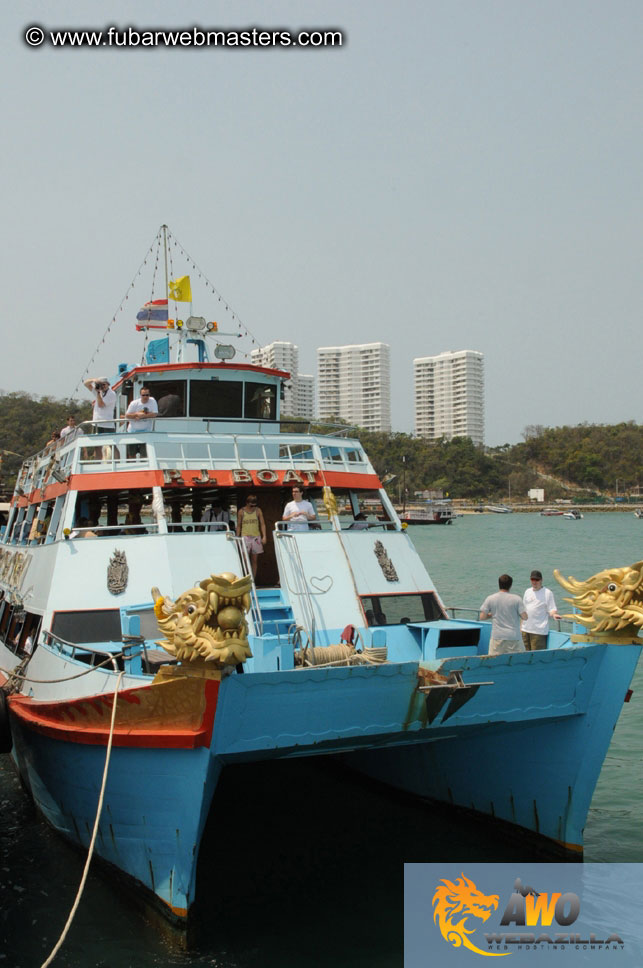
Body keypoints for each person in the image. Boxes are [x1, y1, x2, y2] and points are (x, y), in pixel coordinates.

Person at [479, 574, 528, 656]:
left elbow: (482, 617)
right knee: (518, 661)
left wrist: (492, 615)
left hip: (497, 637)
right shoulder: (517, 599)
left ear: (499, 584)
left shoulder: (490, 598)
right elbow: (525, 617)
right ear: (510, 585)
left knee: (494, 662)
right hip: (513, 637)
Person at [522, 570, 561, 651]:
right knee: (524, 655)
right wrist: (520, 627)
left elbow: (552, 609)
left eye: (537, 580)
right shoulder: (527, 591)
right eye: (532, 579)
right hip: (525, 630)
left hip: (539, 632)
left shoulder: (548, 593)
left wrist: (554, 615)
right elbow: (523, 610)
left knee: (536, 657)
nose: (534, 582)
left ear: (541, 580)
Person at [237, 494, 266, 578]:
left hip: (256, 537)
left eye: (254, 505)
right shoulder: (241, 511)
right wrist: (237, 537)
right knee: (245, 559)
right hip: (245, 537)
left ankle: (253, 579)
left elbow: (262, 524)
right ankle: (246, 577)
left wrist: (264, 536)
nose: (252, 507)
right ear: (247, 503)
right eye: (251, 505)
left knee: (254, 560)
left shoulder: (258, 510)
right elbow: (239, 525)